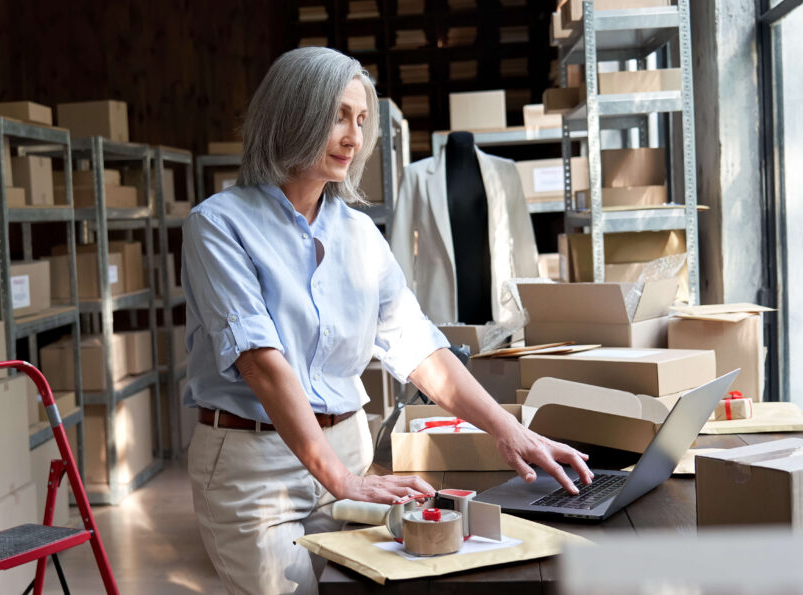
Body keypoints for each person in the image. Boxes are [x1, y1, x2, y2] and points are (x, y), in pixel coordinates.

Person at [181, 47, 593, 595]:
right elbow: (261, 363)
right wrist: (341, 480)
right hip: (254, 467)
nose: (354, 137)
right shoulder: (217, 225)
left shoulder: (360, 235)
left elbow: (420, 348)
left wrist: (510, 431)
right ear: (290, 113)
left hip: (347, 448)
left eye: (360, 120)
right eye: (337, 116)